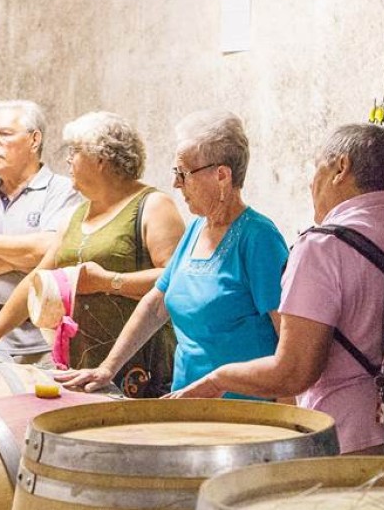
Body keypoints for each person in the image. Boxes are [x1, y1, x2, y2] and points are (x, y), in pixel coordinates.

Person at [170, 123, 384, 455]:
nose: (312, 183)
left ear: (340, 168)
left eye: (316, 169)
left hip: (348, 439)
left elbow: (294, 372)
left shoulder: (322, 247)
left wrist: (218, 380)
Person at [0, 111, 185, 397]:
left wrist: (108, 281)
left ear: (101, 159)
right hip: (83, 368)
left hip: (143, 370)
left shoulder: (153, 205)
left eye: (75, 152)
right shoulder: (77, 214)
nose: (68, 160)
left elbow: (176, 281)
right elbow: (38, 279)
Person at [59, 111, 288, 398]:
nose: (176, 184)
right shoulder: (195, 231)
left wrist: (287, 422)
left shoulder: (259, 238)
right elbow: (156, 304)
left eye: (183, 173)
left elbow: (288, 344)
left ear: (221, 175)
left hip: (245, 415)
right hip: (184, 404)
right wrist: (108, 368)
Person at [0, 100, 81, 362]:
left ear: (34, 140)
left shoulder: (63, 191)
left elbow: (49, 252)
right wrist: (25, 260)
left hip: (43, 340)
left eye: (4, 134)